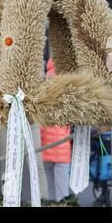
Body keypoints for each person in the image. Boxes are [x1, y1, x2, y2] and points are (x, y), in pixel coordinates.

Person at [40, 58, 75, 204]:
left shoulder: (45, 79)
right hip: (61, 138)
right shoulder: (66, 81)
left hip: (45, 138)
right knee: (61, 182)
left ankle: (50, 203)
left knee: (49, 181)